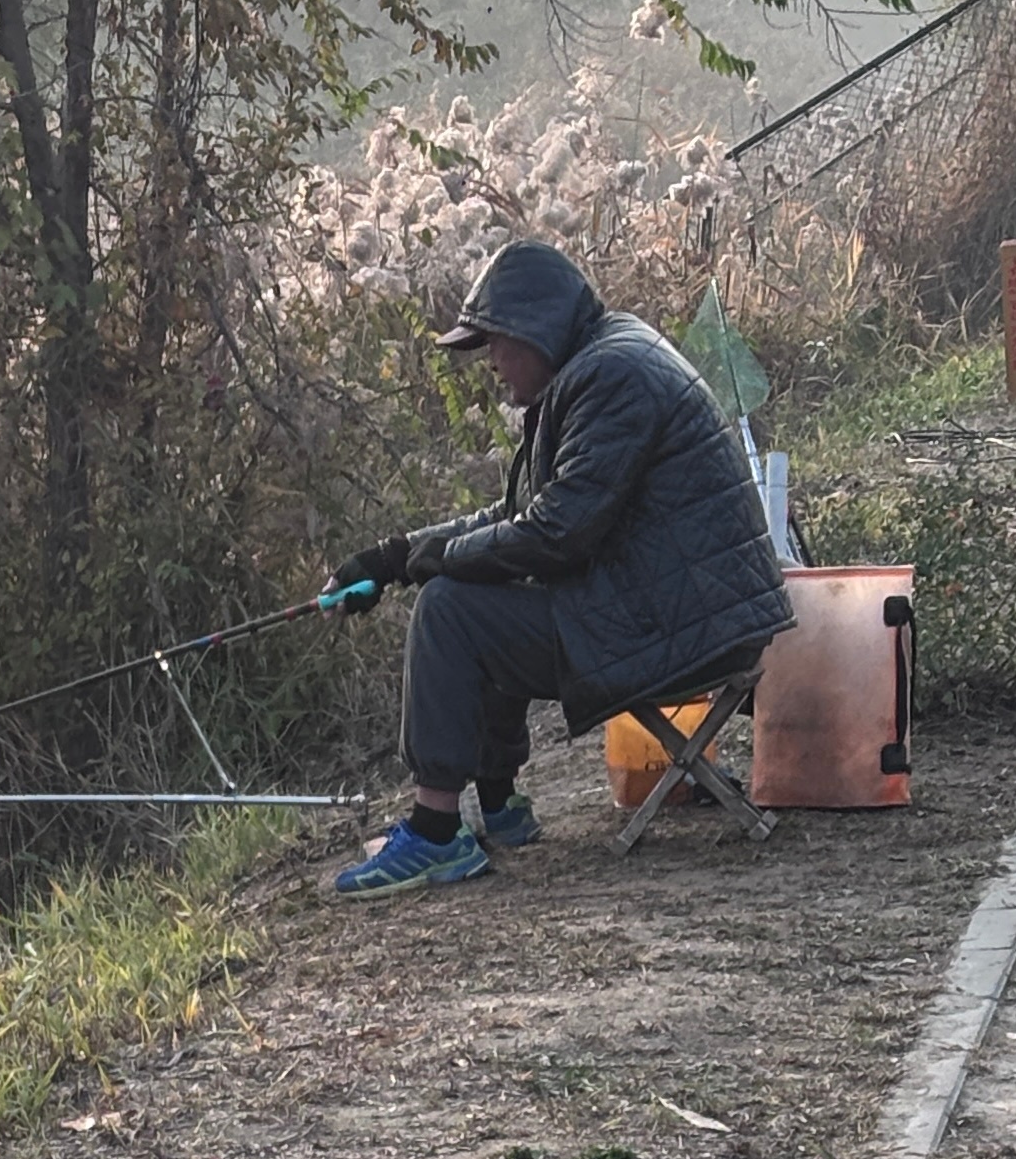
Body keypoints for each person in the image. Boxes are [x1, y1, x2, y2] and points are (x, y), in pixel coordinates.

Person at [325, 239, 794, 900]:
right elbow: (522, 514)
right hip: (680, 612)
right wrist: (392, 557)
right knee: (477, 583)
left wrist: (428, 566)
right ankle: (500, 808)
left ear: (533, 329)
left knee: (451, 610)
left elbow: (556, 535)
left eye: (494, 344)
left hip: (686, 629)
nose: (489, 362)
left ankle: (433, 834)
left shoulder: (611, 378)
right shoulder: (601, 360)